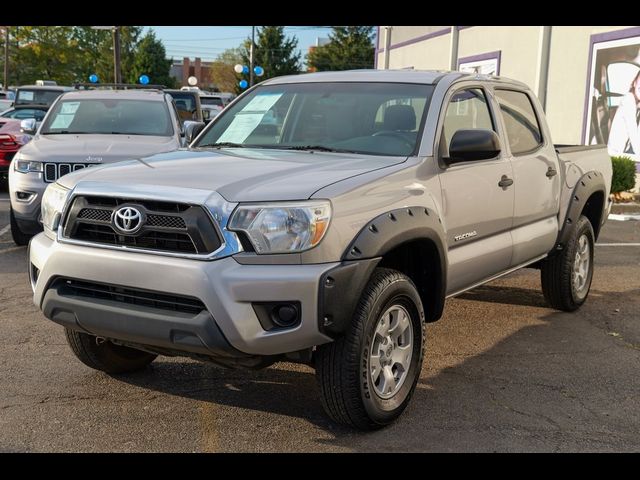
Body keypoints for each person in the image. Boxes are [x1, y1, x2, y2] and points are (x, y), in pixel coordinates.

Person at [608, 70, 640, 161]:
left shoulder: (635, 104)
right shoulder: (628, 100)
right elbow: (633, 134)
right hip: (615, 155)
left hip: (623, 152)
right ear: (634, 83)